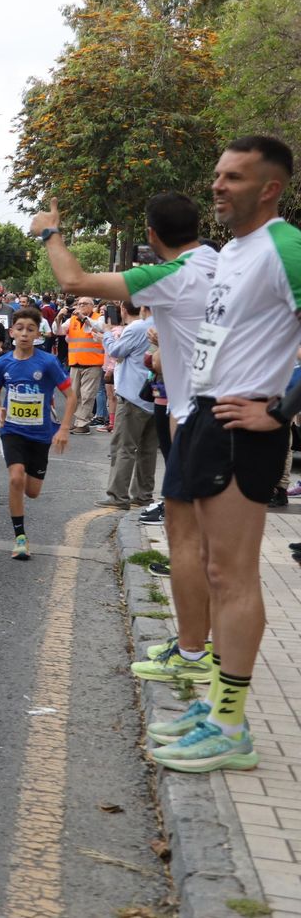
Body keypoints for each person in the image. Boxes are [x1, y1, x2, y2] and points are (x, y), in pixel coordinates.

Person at [147, 136, 301, 774]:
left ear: (270, 188)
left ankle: (232, 728)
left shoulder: (285, 245)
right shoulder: (234, 251)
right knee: (211, 567)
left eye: (234, 178)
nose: (218, 186)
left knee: (231, 576)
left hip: (245, 428)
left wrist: (280, 410)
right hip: (207, 418)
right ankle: (215, 707)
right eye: (217, 175)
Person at [29, 191, 216, 687]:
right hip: (218, 411)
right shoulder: (222, 264)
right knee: (204, 542)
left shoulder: (173, 274)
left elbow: (73, 279)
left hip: (201, 417)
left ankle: (197, 654)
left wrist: (51, 232)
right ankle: (197, 645)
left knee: (190, 541)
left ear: (152, 239)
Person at [0, 308, 75, 560]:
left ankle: (29, 481)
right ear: (12, 331)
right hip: (12, 429)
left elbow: (71, 396)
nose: (25, 334)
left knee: (32, 491)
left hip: (40, 434)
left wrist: (64, 428)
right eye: (20, 328)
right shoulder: (2, 363)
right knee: (16, 478)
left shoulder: (47, 362)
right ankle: (20, 539)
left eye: (30, 329)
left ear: (38, 333)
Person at [98, 302, 158, 508]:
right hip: (156, 395)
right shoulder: (166, 325)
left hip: (133, 395)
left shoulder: (138, 327)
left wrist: (107, 333)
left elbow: (116, 351)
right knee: (148, 450)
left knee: (124, 447)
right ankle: (143, 495)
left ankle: (118, 496)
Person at [58, 296, 105, 432]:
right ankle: (79, 421)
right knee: (74, 394)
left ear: (92, 306)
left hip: (93, 362)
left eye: (84, 304)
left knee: (87, 394)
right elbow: (58, 331)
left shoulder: (98, 317)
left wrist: (83, 318)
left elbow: (99, 327)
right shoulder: (72, 319)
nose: (81, 306)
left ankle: (82, 424)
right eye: (79, 304)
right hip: (75, 362)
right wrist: (59, 317)